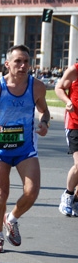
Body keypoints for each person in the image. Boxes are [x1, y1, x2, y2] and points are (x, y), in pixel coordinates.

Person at [0, 44, 50, 253]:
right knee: (1, 194)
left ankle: (13, 218)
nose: (23, 65)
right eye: (18, 61)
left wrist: (44, 123)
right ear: (7, 64)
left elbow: (44, 111)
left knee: (32, 191)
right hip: (1, 148)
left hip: (25, 147)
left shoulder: (36, 86)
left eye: (26, 61)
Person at [54, 63, 78, 217]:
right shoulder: (74, 70)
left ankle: (76, 199)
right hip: (75, 123)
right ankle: (68, 195)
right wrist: (67, 101)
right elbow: (59, 87)